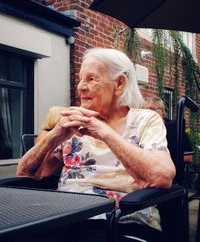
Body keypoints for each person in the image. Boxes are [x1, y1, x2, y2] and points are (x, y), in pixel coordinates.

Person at [16, 48, 175, 240]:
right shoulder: (74, 122)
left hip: (121, 222)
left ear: (119, 83)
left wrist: (103, 131)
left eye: (91, 79)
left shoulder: (145, 120)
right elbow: (26, 173)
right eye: (81, 79)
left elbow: (162, 176)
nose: (81, 87)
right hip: (63, 219)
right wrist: (56, 134)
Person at [144, 96, 193, 162]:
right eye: (146, 110)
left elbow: (188, 156)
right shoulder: (142, 130)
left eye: (152, 109)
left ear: (162, 111)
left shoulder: (174, 128)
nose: (148, 112)